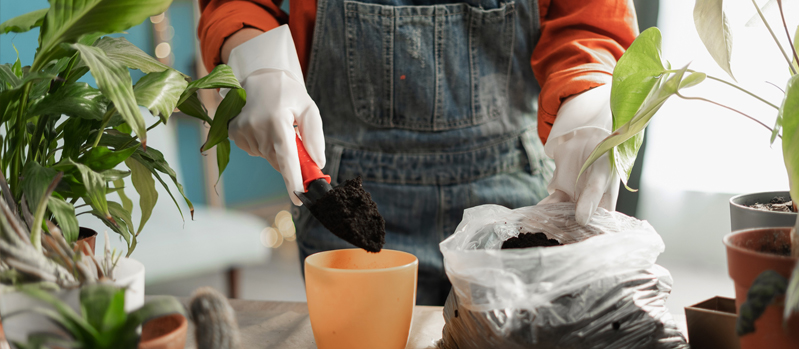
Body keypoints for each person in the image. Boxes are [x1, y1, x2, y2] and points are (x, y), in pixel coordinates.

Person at [198, 0, 638, 305]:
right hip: (347, 210)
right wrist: (257, 61)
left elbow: (590, 19)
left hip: (511, 207)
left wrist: (589, 88)